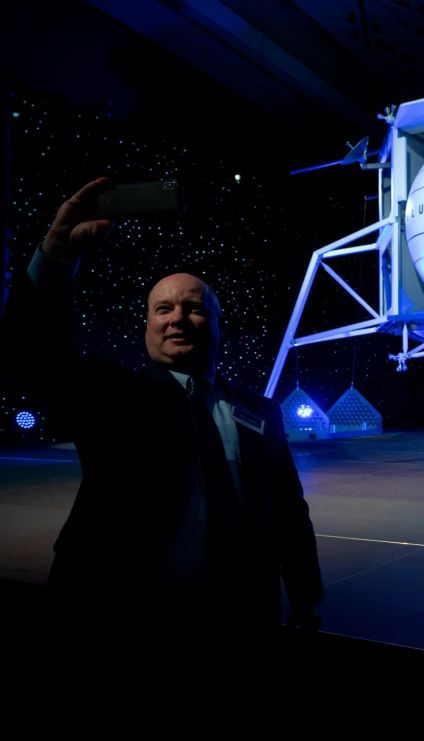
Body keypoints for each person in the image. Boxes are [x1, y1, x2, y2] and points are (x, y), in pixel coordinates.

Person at [4, 178, 323, 662]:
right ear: (147, 326)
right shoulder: (111, 395)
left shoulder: (261, 412)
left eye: (194, 308)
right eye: (163, 308)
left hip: (234, 617)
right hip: (123, 616)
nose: (177, 318)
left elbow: (288, 511)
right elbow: (32, 352)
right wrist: (55, 255)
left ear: (218, 325)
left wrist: (306, 594)